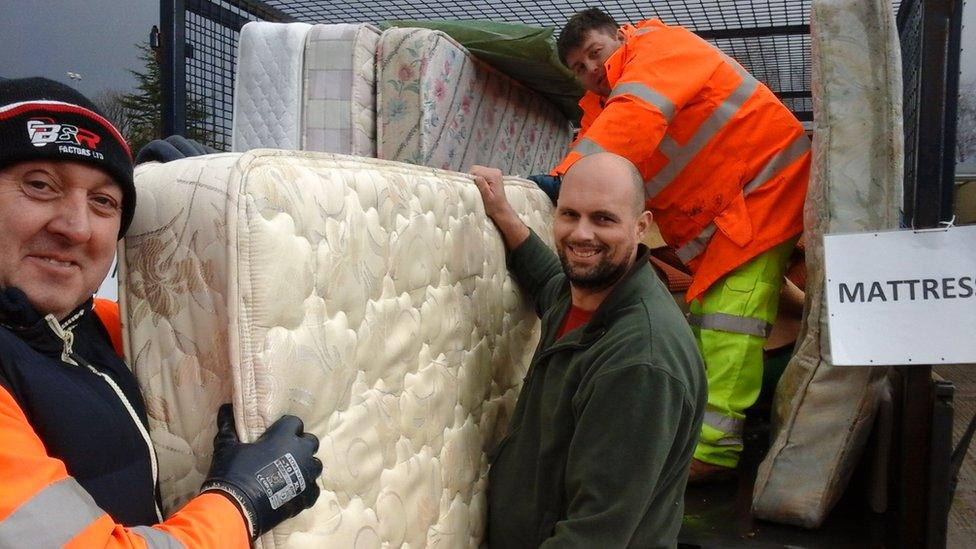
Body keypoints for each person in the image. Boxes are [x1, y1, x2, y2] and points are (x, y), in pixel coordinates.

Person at [0, 77, 321, 547]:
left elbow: (210, 325)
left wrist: (201, 211)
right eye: (41, 185)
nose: (76, 227)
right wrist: (242, 501)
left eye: (103, 201)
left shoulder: (85, 333)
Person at [549, 8, 811, 481]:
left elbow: (625, 131)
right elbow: (608, 156)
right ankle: (702, 432)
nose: (591, 70)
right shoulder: (601, 112)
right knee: (717, 317)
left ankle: (713, 455)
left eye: (595, 53)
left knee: (728, 322)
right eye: (578, 67)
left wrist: (563, 186)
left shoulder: (657, 50)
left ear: (619, 38)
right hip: (734, 211)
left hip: (766, 190)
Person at [470, 153, 705, 547]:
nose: (581, 234)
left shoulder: (639, 364)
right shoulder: (584, 294)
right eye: (570, 215)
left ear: (641, 226)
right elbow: (548, 278)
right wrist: (502, 212)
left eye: (603, 219)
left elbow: (595, 535)